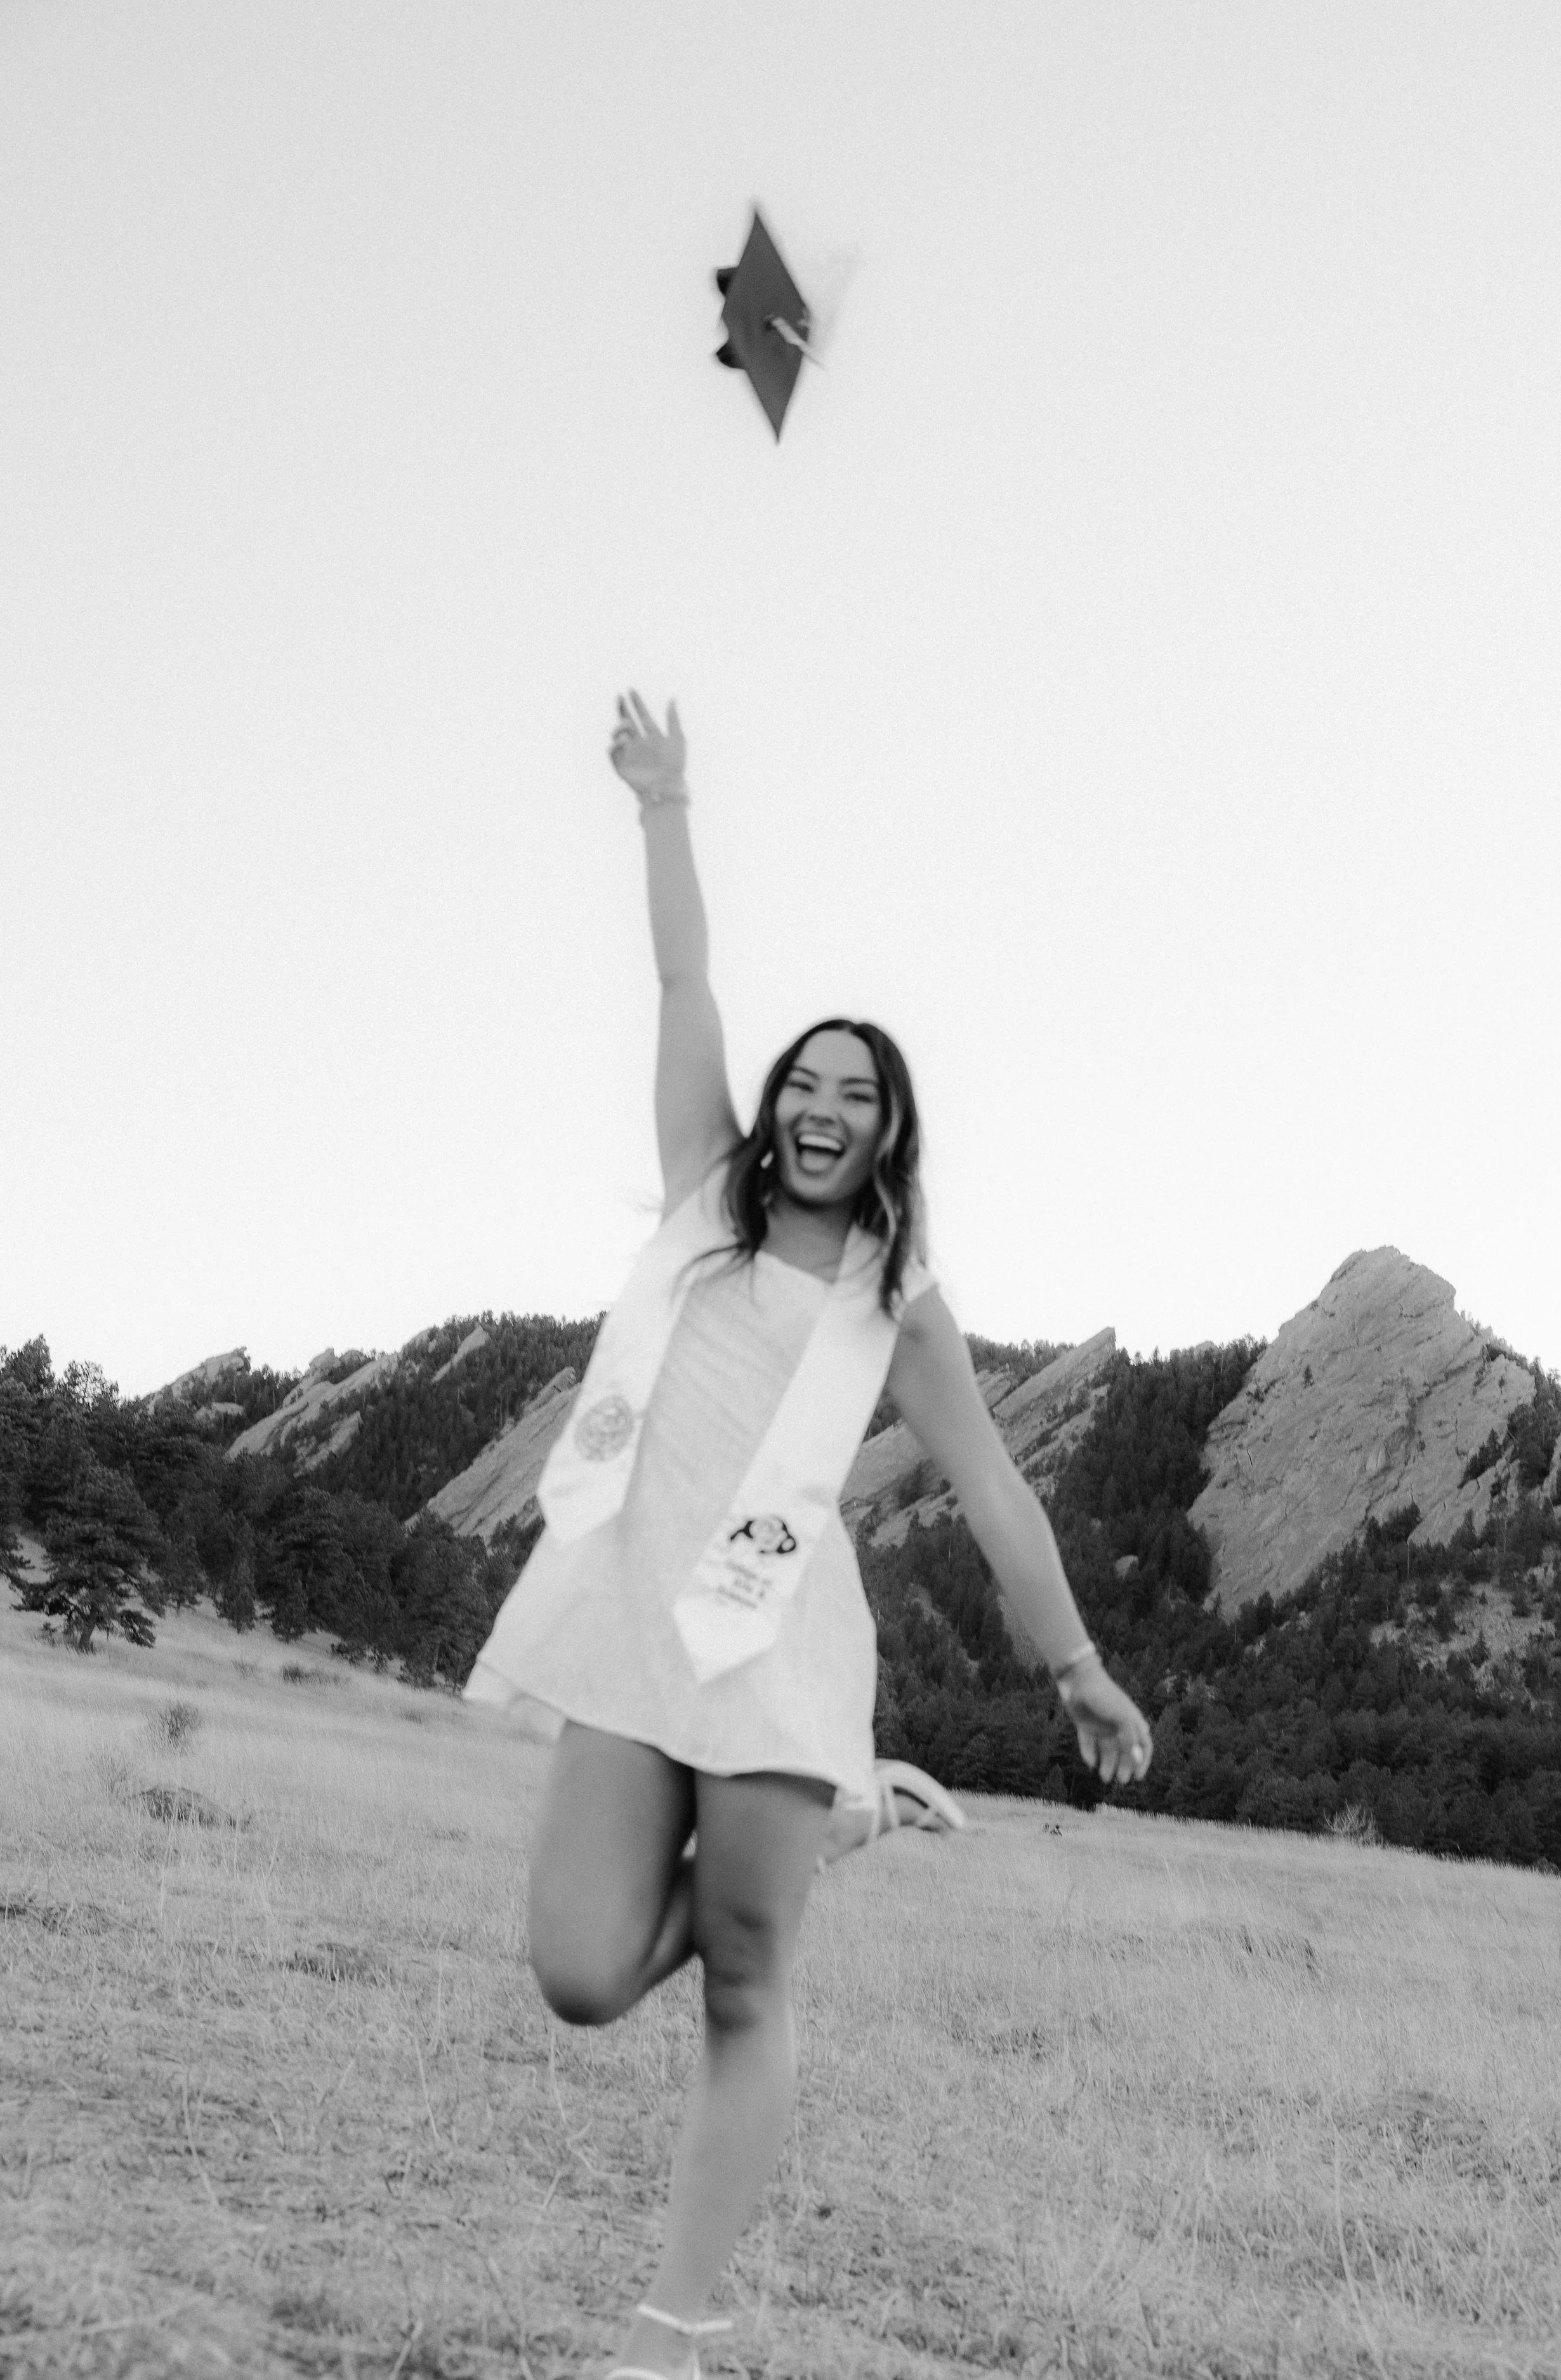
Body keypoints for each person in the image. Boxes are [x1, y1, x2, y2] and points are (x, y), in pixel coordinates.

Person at [463, 692, 1154, 2380]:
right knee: (574, 1970)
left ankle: (673, 2334)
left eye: (860, 1089)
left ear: (889, 1130)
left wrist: (1071, 1662)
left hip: (772, 1641)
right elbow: (684, 984)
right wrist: (664, 807)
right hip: (632, 1621)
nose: (824, 1102)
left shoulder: (895, 1303)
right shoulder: (703, 1197)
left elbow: (987, 1481)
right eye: (808, 1079)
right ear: (776, 1107)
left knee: (744, 1984)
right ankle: (859, 1821)